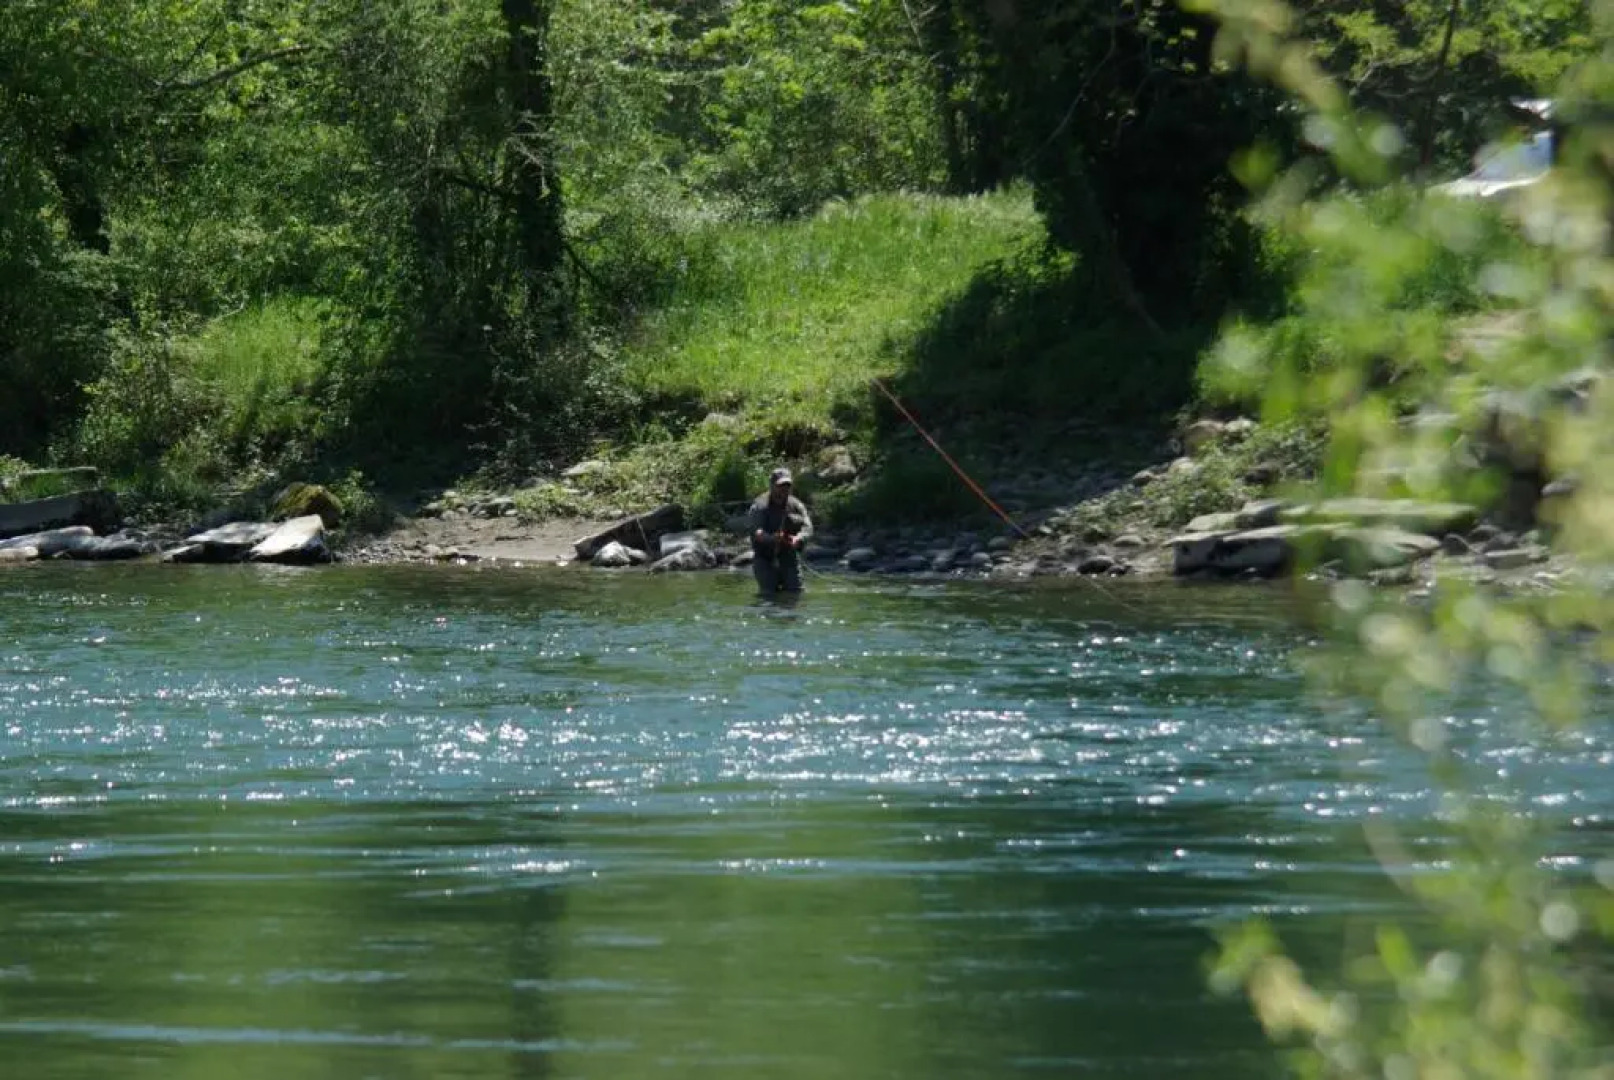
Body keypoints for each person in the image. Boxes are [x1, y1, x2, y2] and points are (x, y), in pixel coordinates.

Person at [748, 467, 813, 596]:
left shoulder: (796, 505)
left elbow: (808, 527)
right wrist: (772, 538)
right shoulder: (759, 506)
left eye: (787, 486)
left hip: (789, 557)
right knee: (768, 596)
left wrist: (799, 538)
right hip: (765, 559)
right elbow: (757, 532)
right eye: (780, 485)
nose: (784, 489)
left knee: (796, 594)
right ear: (772, 485)